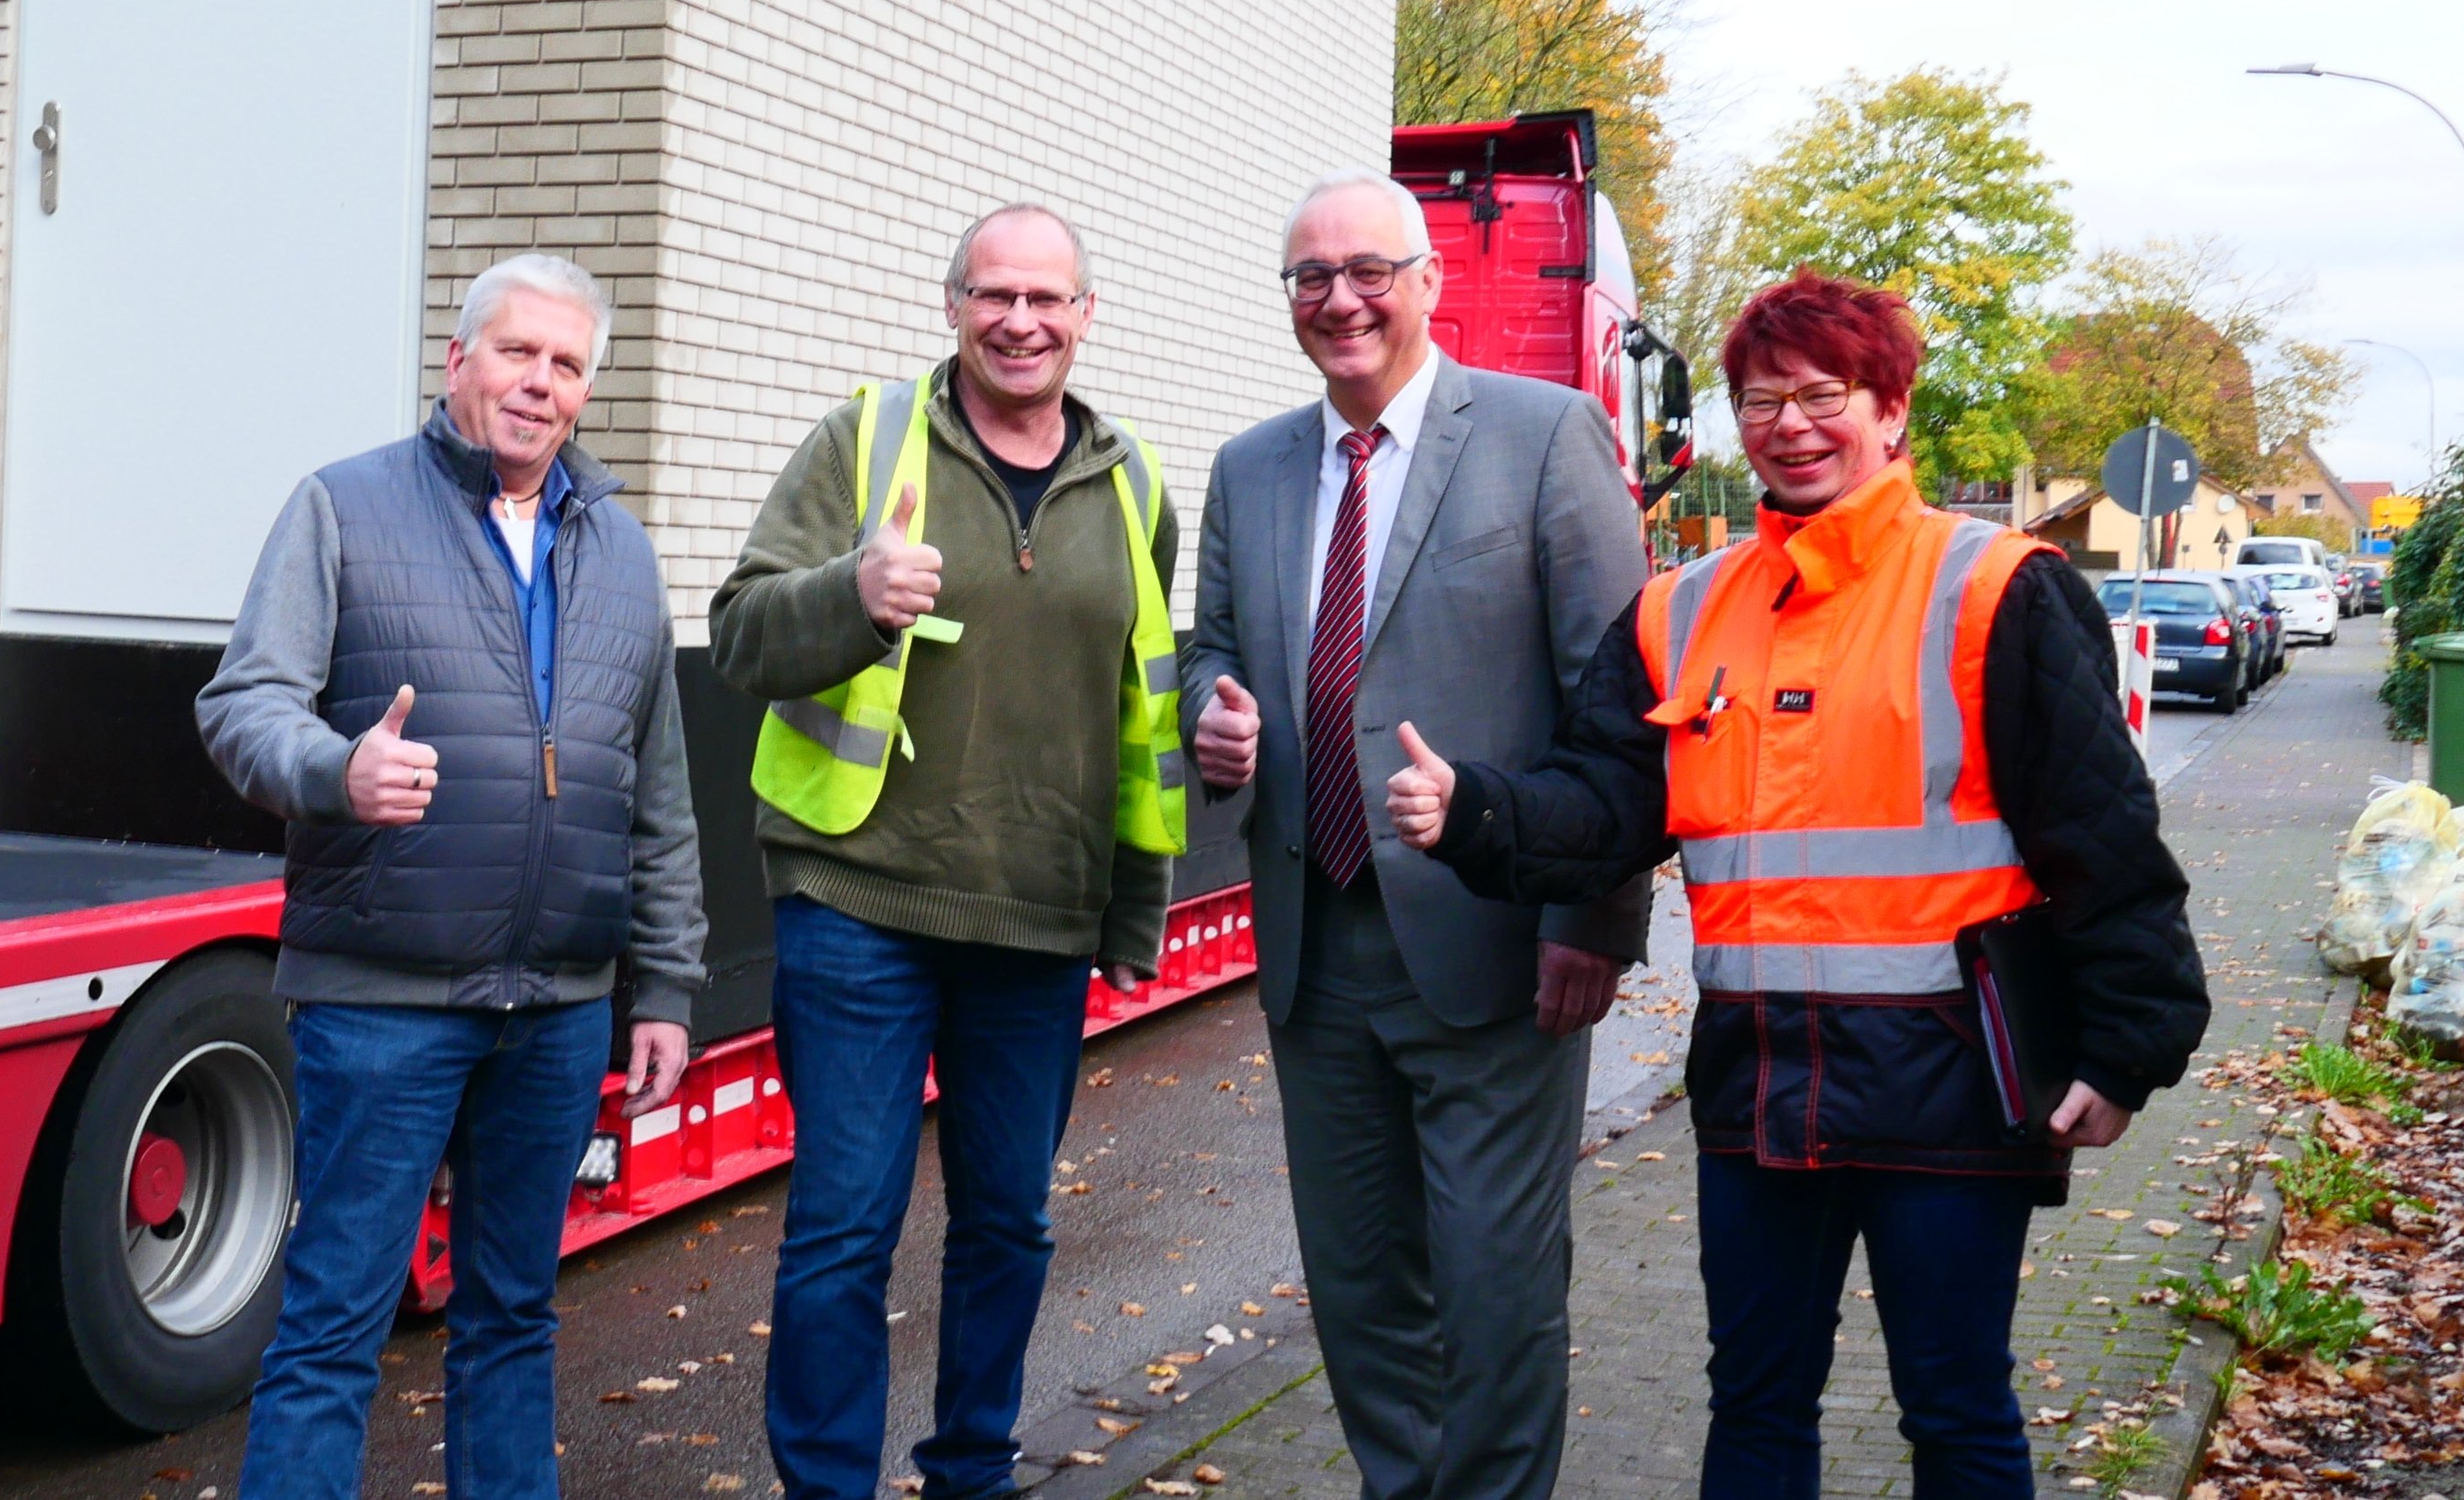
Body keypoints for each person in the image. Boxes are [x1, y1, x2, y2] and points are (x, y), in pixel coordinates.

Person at [1381, 271, 2207, 1500]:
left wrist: (2128, 1046)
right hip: (1763, 1091)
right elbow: (1607, 808)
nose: (1792, 424)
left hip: (1953, 1092)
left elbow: (2105, 840)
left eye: (1826, 395)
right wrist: (1476, 812)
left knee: (1957, 1407)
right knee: (1755, 1407)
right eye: (1763, 401)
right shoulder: (1683, 608)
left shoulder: (1998, 591)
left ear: (1891, 413)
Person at [197, 254, 706, 1500]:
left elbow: (662, 790)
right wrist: (335, 770)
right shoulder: (343, 508)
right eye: (518, 352)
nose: (540, 383)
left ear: (588, 389)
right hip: (383, 999)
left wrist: (668, 987)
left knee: (514, 1318)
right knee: (332, 1332)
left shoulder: (624, 553)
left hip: (558, 1004)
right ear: (458, 361)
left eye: (567, 363)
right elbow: (241, 703)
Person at [1179, 173, 1653, 1500]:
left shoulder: (1545, 436)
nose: (1340, 298)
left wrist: (1591, 923)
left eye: (1368, 270)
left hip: (1496, 945)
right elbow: (1213, 649)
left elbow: (1615, 712)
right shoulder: (1249, 466)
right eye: (1310, 277)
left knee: (1497, 1296)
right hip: (1315, 944)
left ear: (1429, 280)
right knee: (1361, 1290)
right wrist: (1208, 710)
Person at [710, 205, 1186, 1500]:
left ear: (1087, 314)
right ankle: (826, 1486)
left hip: (1034, 923)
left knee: (1011, 1229)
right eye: (994, 294)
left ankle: (971, 1470)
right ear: (952, 304)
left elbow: (1138, 703)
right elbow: (742, 632)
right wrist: (848, 596)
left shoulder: (1134, 483)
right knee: (841, 1233)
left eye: (1048, 298)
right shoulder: (865, 442)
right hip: (857, 901)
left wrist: (1131, 910)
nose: (1020, 320)